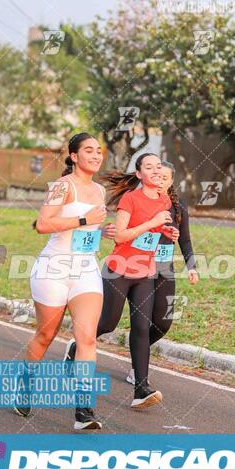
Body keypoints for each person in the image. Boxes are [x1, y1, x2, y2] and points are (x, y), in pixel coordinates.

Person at [13, 132, 116, 430]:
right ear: (73, 156)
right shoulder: (61, 187)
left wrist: (101, 231)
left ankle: (83, 411)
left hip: (85, 269)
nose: (96, 155)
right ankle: (26, 382)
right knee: (45, 337)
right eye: (88, 150)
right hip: (53, 270)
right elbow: (43, 224)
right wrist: (84, 220)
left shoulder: (99, 190)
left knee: (87, 338)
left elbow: (88, 232)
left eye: (99, 151)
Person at [64, 153, 177, 409]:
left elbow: (154, 232)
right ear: (139, 174)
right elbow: (121, 237)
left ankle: (141, 389)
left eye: (158, 166)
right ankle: (76, 345)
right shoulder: (131, 198)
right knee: (108, 323)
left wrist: (166, 231)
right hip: (119, 270)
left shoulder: (164, 199)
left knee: (141, 328)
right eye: (149, 167)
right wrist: (154, 222)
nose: (155, 170)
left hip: (144, 273)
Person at [126, 160, 199, 385]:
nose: (160, 181)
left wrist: (192, 267)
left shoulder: (178, 208)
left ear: (171, 182)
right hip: (139, 267)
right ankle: (139, 370)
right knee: (139, 323)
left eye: (165, 178)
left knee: (163, 322)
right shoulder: (140, 202)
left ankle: (139, 356)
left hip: (164, 268)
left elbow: (185, 240)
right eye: (157, 177)